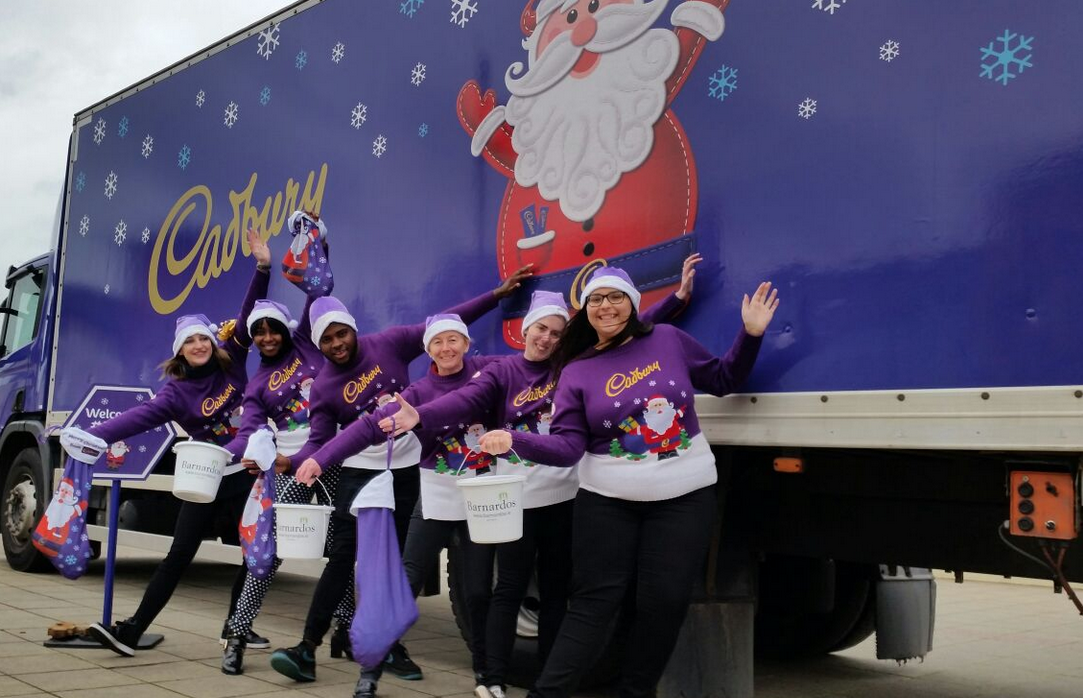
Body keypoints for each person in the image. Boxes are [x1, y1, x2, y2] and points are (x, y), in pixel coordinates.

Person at [384, 255, 702, 698]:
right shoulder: (502, 369)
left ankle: (547, 678)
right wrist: (419, 415)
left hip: (567, 493)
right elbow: (464, 398)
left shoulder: (573, 365)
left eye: (556, 331)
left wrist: (677, 298)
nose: (547, 338)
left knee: (558, 590)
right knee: (509, 586)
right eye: (540, 329)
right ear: (525, 330)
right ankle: (491, 676)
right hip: (518, 498)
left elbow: (634, 329)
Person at [475, 266, 779, 698]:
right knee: (592, 605)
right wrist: (514, 441)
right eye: (597, 300)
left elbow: (724, 379)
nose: (606, 306)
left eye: (615, 297)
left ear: (632, 304)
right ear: (588, 312)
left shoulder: (667, 340)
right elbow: (567, 448)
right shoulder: (577, 371)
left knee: (664, 604)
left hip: (684, 497)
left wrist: (750, 335)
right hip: (607, 501)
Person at [269, 266, 531, 691]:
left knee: (399, 565)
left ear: (353, 330)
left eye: (341, 334)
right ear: (319, 345)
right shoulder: (323, 387)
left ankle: (380, 645)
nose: (336, 344)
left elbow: (445, 323)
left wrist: (495, 296)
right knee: (344, 559)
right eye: (326, 340)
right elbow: (322, 439)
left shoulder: (390, 343)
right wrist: (296, 460)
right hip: (361, 473)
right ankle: (307, 646)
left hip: (413, 468)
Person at [85, 229, 273, 657]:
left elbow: (247, 316)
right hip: (205, 480)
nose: (199, 345)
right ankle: (132, 630)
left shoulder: (232, 360)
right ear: (180, 351)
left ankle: (236, 628)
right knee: (179, 554)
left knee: (254, 552)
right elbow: (135, 419)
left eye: (203, 338)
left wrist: (262, 267)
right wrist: (89, 435)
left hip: (245, 475)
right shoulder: (175, 393)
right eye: (190, 341)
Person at [296, 313, 503, 698]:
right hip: (436, 498)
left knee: (477, 591)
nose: (446, 349)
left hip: (481, 500)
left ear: (467, 343)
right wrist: (320, 459)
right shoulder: (418, 393)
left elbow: (537, 368)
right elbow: (367, 428)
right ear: (427, 350)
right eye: (437, 342)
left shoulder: (490, 372)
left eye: (454, 340)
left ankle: (486, 675)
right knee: (401, 584)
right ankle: (369, 674)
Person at [216, 293, 354, 674]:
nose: (266, 338)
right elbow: (248, 431)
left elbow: (318, 291)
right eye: (257, 333)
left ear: (285, 328)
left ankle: (345, 629)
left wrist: (313, 242)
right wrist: (224, 455)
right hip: (293, 470)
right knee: (268, 553)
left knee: (338, 551)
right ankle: (237, 636)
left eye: (271, 329)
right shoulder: (258, 383)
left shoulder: (309, 345)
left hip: (335, 461)